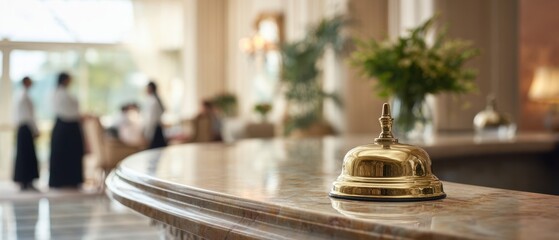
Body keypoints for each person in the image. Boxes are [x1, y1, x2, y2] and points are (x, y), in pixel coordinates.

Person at [49, 72, 84, 188]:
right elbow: (69, 112)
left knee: (70, 155)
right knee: (63, 154)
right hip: (66, 127)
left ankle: (71, 180)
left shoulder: (62, 93)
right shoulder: (60, 94)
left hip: (68, 126)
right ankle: (63, 181)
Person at [13, 77, 40, 191]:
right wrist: (35, 129)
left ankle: (26, 181)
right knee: (26, 155)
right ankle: (25, 181)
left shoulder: (19, 95)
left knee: (25, 155)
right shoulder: (24, 97)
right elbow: (29, 116)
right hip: (26, 128)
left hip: (22, 128)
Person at [144, 81, 167, 149]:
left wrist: (147, 133)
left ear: (150, 89)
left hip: (154, 130)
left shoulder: (153, 101)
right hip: (157, 129)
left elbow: (151, 119)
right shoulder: (155, 100)